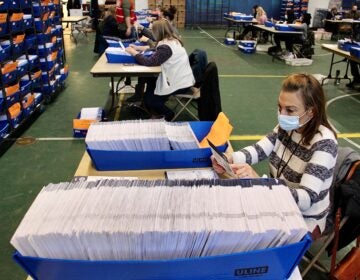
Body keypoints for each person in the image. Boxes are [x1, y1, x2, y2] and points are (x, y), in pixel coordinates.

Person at [212, 73, 338, 236]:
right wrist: (229, 158)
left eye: (290, 110)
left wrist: (261, 183)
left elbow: (306, 199)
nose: (282, 115)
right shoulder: (288, 127)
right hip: (278, 201)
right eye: (280, 107)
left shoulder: (324, 144)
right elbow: (259, 150)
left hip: (304, 219)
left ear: (311, 112)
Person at [125, 19, 195, 121]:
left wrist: (134, 53)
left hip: (179, 84)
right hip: (182, 78)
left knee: (151, 100)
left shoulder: (166, 47)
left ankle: (168, 114)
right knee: (150, 81)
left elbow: (149, 62)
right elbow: (156, 49)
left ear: (159, 32)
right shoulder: (173, 40)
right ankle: (148, 105)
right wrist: (138, 48)